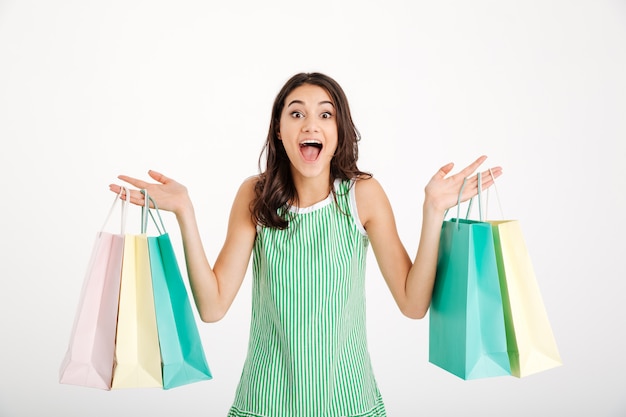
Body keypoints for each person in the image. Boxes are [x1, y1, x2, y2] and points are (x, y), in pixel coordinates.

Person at [110, 72, 502, 417]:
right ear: (279, 131)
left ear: (339, 132)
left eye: (325, 114)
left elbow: (413, 304)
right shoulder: (256, 195)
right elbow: (212, 308)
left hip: (349, 403)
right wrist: (184, 211)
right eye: (296, 113)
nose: (310, 123)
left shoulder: (362, 196)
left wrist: (433, 210)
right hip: (265, 403)